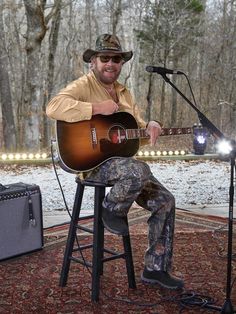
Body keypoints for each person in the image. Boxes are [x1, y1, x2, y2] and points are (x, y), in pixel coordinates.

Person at [46, 34, 184, 290]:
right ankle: (111, 210)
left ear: (122, 63)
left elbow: (131, 135)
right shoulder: (83, 85)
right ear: (93, 62)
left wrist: (151, 127)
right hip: (92, 164)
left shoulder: (125, 93)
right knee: (139, 169)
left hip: (124, 169)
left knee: (166, 201)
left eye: (116, 59)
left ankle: (156, 269)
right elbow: (54, 106)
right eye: (105, 58)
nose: (111, 63)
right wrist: (96, 109)